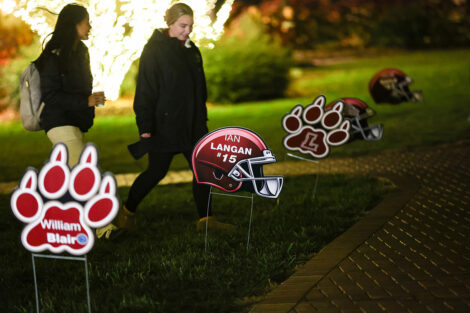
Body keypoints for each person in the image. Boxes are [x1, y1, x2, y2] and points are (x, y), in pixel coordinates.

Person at [97, 3, 233, 239]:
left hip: (193, 126)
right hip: (165, 126)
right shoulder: (154, 51)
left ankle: (206, 219)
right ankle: (127, 212)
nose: (187, 31)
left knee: (203, 169)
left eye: (190, 26)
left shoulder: (192, 50)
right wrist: (146, 129)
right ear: (170, 23)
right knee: (156, 171)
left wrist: (202, 120)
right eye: (182, 25)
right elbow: (145, 92)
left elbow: (200, 89)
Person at [34, 4, 105, 167]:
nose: (90, 27)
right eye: (87, 22)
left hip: (75, 122)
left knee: (70, 176)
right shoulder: (53, 57)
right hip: (59, 122)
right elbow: (50, 95)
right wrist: (86, 101)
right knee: (85, 172)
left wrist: (90, 101)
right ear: (75, 24)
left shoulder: (81, 52)